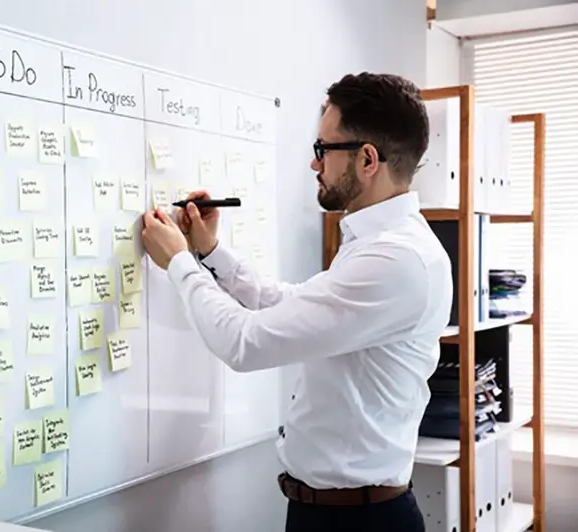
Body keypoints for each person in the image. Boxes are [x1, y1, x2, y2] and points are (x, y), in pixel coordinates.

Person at [141, 72, 453, 532]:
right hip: (335, 513)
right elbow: (297, 305)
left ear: (368, 160)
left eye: (323, 150)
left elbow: (246, 344)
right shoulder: (381, 242)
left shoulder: (396, 259)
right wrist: (211, 254)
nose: (314, 165)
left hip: (360, 522)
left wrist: (180, 263)